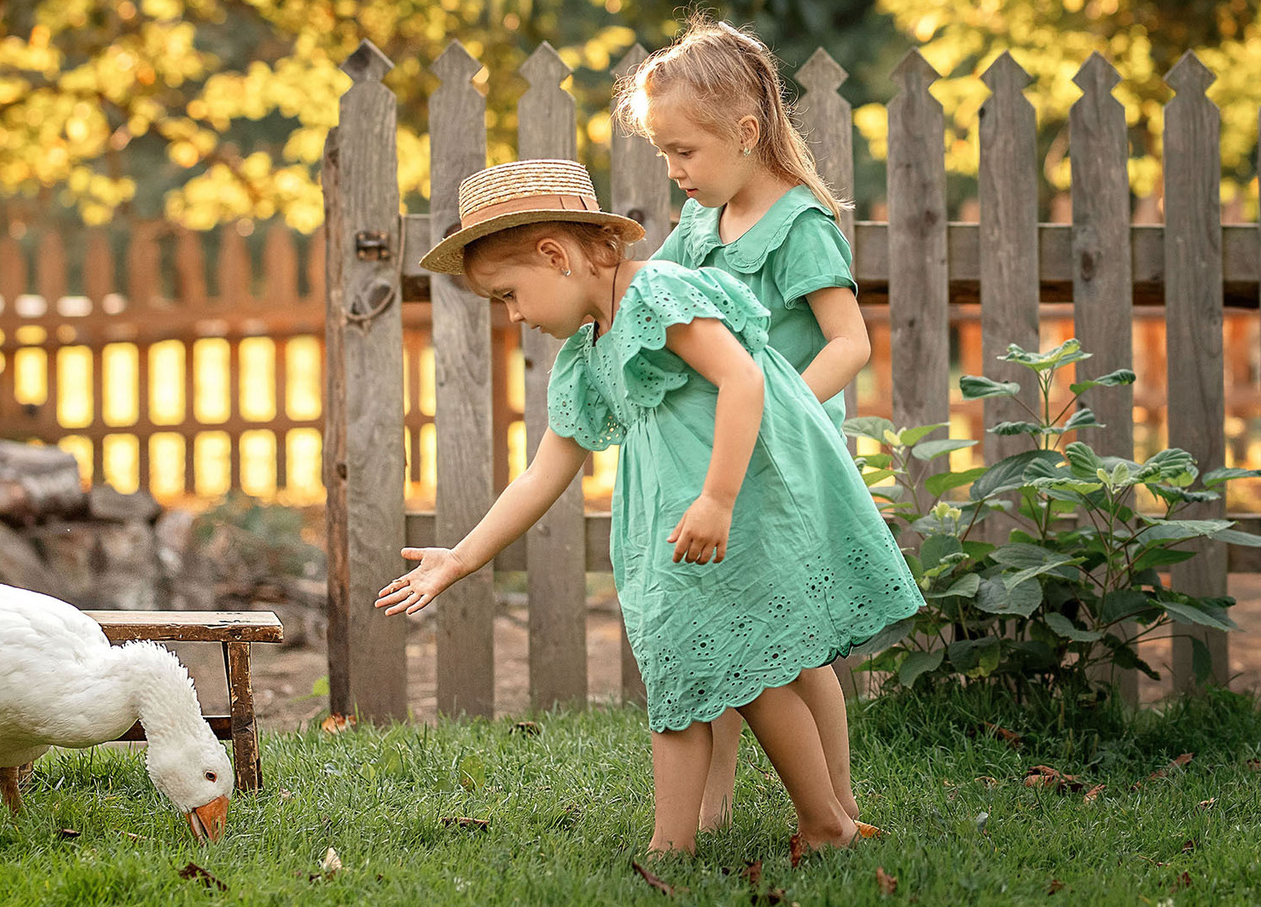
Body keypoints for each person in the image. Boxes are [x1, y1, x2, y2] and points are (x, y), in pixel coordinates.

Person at [378, 159, 918, 857]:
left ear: (555, 255)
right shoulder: (587, 353)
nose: (513, 316)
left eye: (510, 295)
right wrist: (463, 554)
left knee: (752, 674)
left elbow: (743, 379)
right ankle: (675, 842)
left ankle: (825, 822)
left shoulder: (657, 293)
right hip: (662, 529)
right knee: (678, 674)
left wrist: (719, 497)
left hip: (729, 509)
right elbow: (545, 471)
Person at [615, 18, 872, 830]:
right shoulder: (699, 227)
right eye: (663, 153)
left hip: (787, 458)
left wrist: (779, 407)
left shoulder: (799, 226)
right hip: (724, 453)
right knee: (717, 627)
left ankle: (836, 801)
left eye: (684, 150)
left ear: (746, 131)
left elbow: (852, 342)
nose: (673, 170)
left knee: (797, 650)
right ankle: (713, 805)